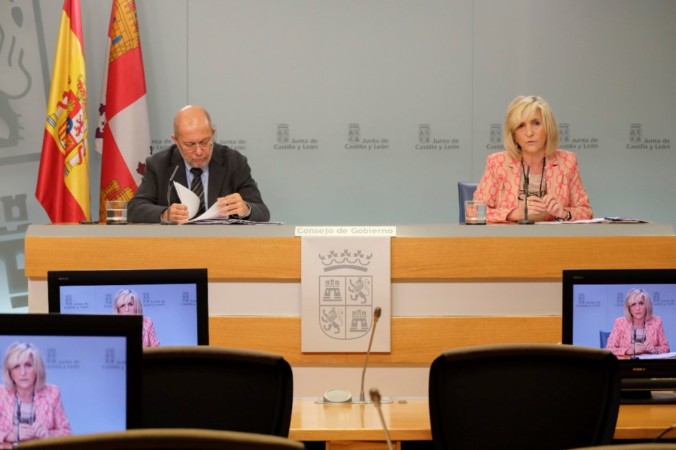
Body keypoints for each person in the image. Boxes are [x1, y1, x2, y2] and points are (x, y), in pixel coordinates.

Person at [127, 105, 270, 224]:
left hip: (222, 243)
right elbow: (134, 208)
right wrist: (165, 213)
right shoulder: (159, 164)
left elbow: (262, 211)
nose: (199, 151)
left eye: (204, 142)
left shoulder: (234, 162)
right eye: (190, 145)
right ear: (175, 140)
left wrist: (245, 209)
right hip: (176, 244)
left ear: (213, 133)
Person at [473, 95, 593, 223]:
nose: (529, 133)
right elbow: (474, 211)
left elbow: (586, 211)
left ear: (548, 128)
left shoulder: (567, 162)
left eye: (536, 123)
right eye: (521, 126)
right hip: (510, 235)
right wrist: (514, 214)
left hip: (554, 235)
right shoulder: (497, 163)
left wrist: (563, 213)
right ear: (513, 135)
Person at [0, 342, 71, 445]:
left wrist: (49, 435)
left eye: (28, 365)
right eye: (16, 367)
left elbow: (67, 434)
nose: (23, 372)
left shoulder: (52, 393)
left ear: (37, 369)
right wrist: (9, 435)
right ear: (9, 372)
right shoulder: (1, 394)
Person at [606, 288, 670, 357]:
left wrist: (654, 349)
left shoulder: (656, 322)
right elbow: (609, 349)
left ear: (647, 306)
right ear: (629, 308)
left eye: (641, 303)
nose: (637, 308)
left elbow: (666, 348)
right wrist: (628, 351)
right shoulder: (620, 323)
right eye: (633, 304)